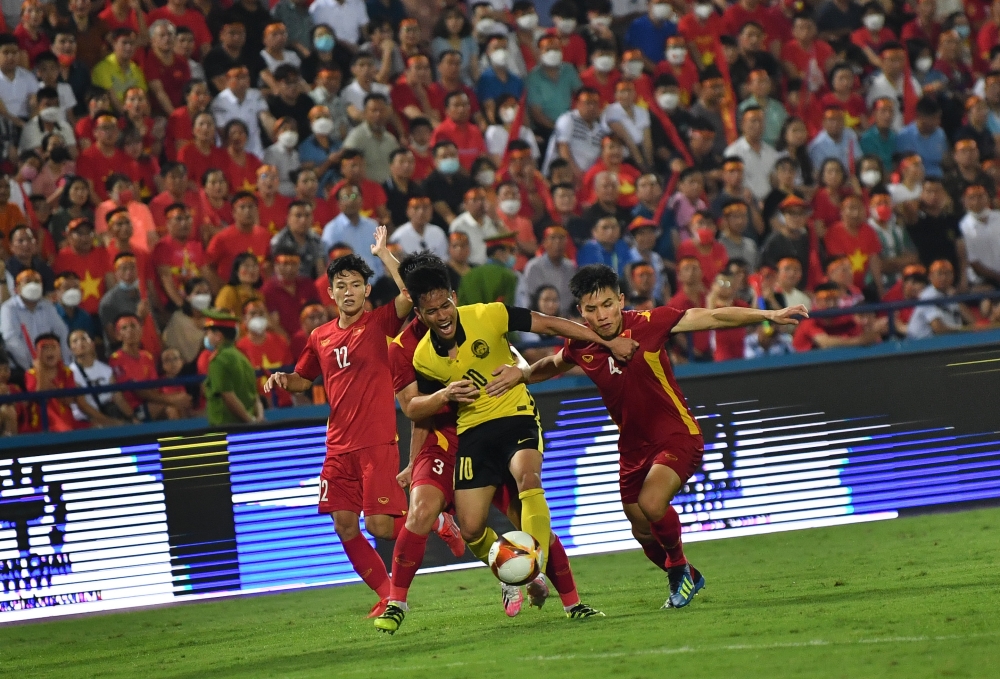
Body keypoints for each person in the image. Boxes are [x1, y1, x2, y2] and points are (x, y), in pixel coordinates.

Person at [528, 263, 806, 607]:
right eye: (591, 309)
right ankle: (688, 573)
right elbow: (553, 365)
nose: (601, 315)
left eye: (607, 304)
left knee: (652, 502)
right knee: (641, 529)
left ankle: (677, 572)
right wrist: (520, 376)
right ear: (581, 312)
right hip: (632, 447)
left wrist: (770, 314)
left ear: (621, 301)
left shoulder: (649, 323)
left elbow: (713, 317)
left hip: (677, 433)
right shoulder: (580, 344)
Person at [398, 260, 634, 622]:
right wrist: (444, 396)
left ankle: (543, 577)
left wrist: (607, 339)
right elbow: (416, 410)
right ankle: (513, 571)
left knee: (528, 480)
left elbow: (550, 323)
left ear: (454, 297)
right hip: (473, 433)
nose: (443, 315)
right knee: (473, 526)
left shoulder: (488, 315)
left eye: (446, 305)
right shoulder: (423, 358)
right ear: (419, 313)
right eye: (432, 311)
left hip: (516, 415)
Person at [264, 226, 410, 618]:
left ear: (366, 290)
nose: (348, 291)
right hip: (338, 446)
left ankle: (434, 520)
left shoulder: (380, 323)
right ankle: (386, 595)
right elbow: (302, 378)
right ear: (330, 293)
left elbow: (409, 295)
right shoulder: (319, 336)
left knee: (380, 527)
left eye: (356, 284)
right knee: (344, 525)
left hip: (377, 441)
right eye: (341, 285)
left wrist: (383, 255)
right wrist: (282, 379)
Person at [109, 312, 190, 420]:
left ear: (141, 330)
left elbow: (155, 387)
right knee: (172, 407)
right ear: (118, 335)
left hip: (151, 403)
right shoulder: (116, 359)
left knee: (181, 402)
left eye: (133, 326)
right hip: (132, 410)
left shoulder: (147, 356)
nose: (130, 331)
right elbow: (137, 391)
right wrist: (171, 399)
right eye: (124, 328)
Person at [0, 269, 70, 371]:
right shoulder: (9, 308)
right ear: (17, 288)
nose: (33, 285)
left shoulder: (47, 306)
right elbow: (11, 340)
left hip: (50, 365)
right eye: (28, 281)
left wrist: (65, 363)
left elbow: (61, 332)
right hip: (20, 368)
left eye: (37, 281)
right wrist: (32, 365)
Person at [202, 308, 262, 425]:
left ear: (218, 336)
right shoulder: (241, 357)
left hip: (228, 427)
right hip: (247, 424)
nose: (206, 336)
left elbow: (228, 396)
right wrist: (258, 418)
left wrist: (249, 423)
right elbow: (255, 396)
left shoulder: (218, 360)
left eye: (208, 333)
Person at [236, 297, 293, 408]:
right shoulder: (239, 348)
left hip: (284, 403)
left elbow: (290, 372)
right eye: (253, 314)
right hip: (255, 405)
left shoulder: (280, 341)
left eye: (261, 313)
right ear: (244, 319)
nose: (257, 317)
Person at [791, 283, 881, 351]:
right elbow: (825, 342)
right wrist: (859, 341)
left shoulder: (845, 317)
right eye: (826, 300)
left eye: (835, 299)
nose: (831, 304)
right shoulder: (810, 320)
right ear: (817, 301)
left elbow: (867, 335)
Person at [205, 192, 271, 284]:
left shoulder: (265, 235)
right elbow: (207, 267)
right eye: (242, 207)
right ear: (233, 213)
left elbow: (270, 261)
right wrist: (220, 288)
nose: (247, 211)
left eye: (251, 207)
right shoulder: (221, 238)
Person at [907, 259, 975, 339]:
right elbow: (939, 329)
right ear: (930, 277)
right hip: (919, 344)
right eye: (940, 274)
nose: (944, 277)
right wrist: (966, 330)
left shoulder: (949, 294)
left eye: (947, 273)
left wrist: (974, 327)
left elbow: (972, 321)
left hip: (944, 341)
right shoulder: (928, 296)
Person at [517, 226, 576, 316]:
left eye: (561, 238)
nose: (557, 242)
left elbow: (572, 298)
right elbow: (529, 298)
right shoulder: (534, 267)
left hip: (565, 317)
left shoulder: (570, 267)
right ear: (544, 243)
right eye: (553, 238)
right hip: (540, 317)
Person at [457, 233, 519, 306]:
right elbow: (509, 309)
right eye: (511, 251)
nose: (515, 255)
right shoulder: (508, 276)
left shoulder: (468, 275)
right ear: (499, 252)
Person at [162, 277, 211, 367]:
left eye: (206, 292)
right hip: (181, 370)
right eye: (198, 293)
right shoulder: (179, 318)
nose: (203, 297)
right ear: (188, 297)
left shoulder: (214, 318)